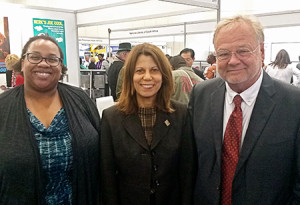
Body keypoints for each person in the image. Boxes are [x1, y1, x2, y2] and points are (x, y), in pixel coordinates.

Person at [189, 14, 300, 205]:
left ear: (262, 51)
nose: (233, 61)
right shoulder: (201, 95)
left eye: (243, 50)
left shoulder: (294, 104)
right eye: (223, 53)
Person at [0, 35, 101, 204]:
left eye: (52, 59)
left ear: (61, 67)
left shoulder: (80, 99)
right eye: (35, 56)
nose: (43, 63)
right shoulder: (3, 107)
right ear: (23, 63)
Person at [100, 43, 196, 205]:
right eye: (139, 71)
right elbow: (107, 176)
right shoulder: (111, 118)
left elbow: (187, 171)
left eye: (154, 70)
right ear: (130, 76)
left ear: (164, 75)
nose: (147, 77)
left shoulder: (181, 114)